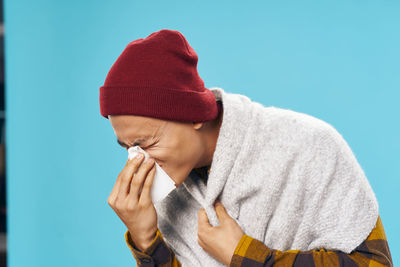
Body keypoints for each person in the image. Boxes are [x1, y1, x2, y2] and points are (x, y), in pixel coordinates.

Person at [99, 29, 393, 266]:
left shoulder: (311, 146)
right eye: (126, 147)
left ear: (192, 116)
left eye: (146, 143)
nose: (138, 162)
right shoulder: (164, 193)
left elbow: (375, 263)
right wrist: (146, 238)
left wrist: (247, 256)